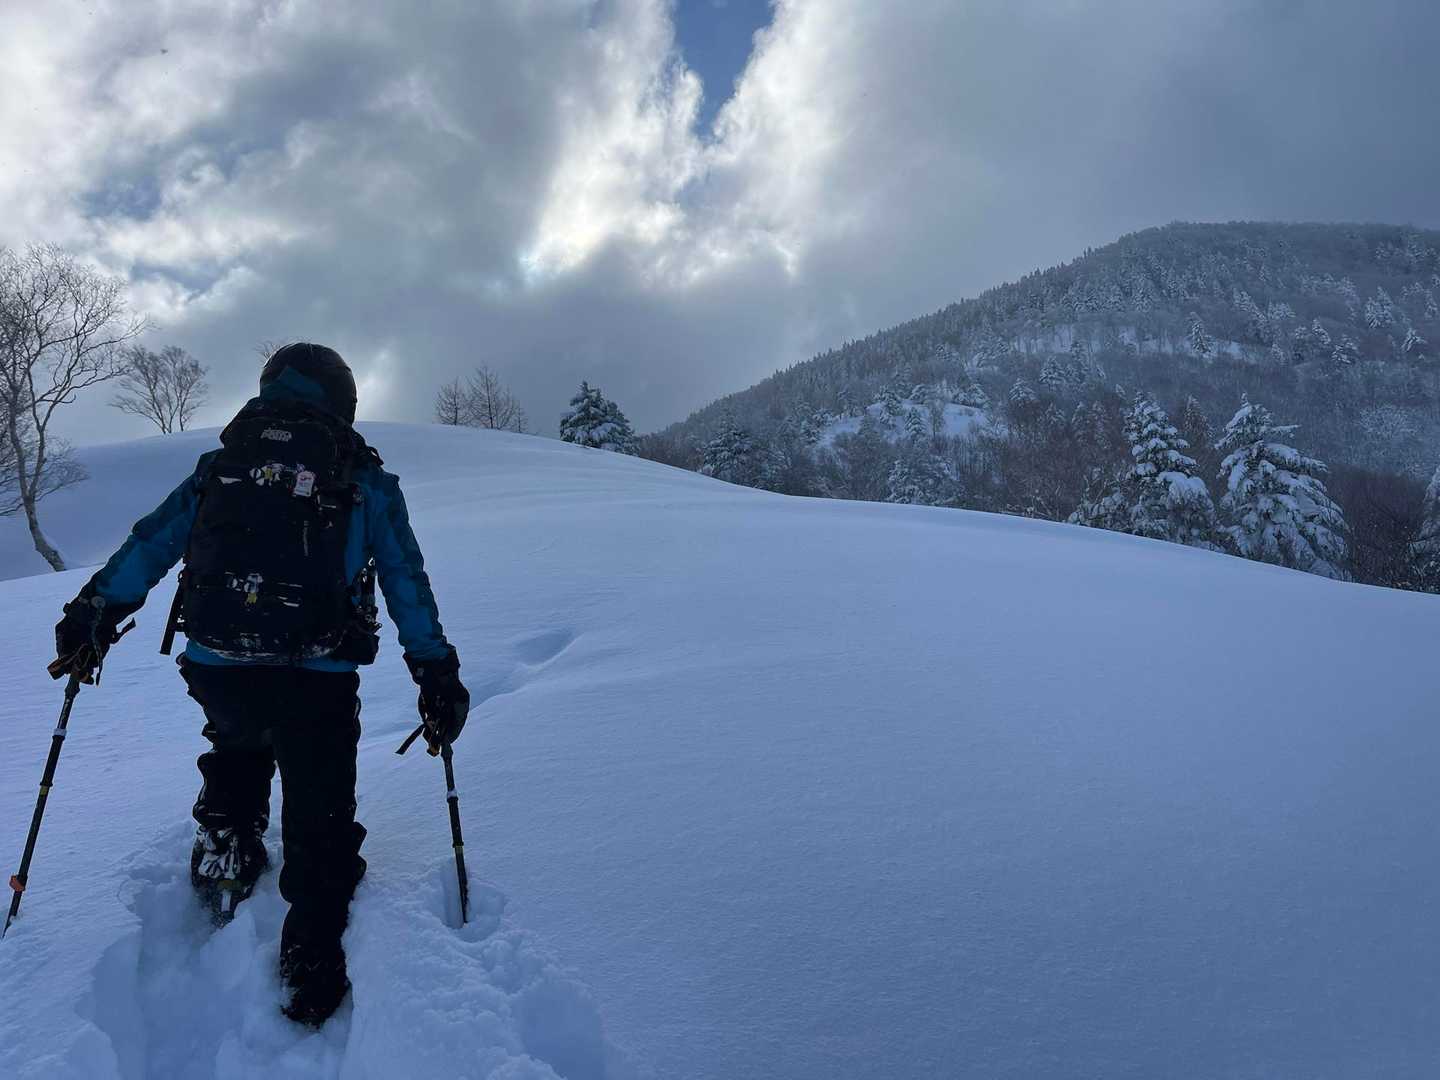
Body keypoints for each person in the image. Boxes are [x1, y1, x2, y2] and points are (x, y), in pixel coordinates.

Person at [51, 343, 470, 1027]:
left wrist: (92, 611)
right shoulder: (365, 479)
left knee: (237, 743)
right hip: (317, 671)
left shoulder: (220, 467)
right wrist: (435, 669)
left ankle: (227, 841)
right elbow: (404, 579)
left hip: (218, 661)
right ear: (343, 400)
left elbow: (152, 544)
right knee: (319, 804)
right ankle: (310, 959)